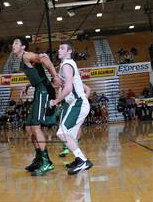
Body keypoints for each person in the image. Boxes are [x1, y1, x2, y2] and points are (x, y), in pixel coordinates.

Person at [12, 37, 62, 176]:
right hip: (38, 89)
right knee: (29, 127)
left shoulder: (27, 55)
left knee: (35, 126)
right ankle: (39, 158)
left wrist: (55, 76)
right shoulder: (22, 60)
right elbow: (37, 74)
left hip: (44, 90)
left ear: (23, 46)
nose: (13, 45)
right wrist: (27, 85)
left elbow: (44, 59)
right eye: (13, 43)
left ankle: (47, 161)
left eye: (16, 43)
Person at [50, 41, 93, 175]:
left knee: (62, 133)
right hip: (77, 103)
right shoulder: (65, 65)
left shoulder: (67, 64)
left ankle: (83, 161)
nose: (59, 50)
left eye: (62, 48)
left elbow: (68, 88)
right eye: (59, 48)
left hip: (78, 103)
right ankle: (78, 159)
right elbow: (65, 84)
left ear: (69, 51)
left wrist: (56, 100)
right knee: (70, 136)